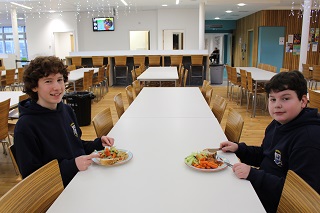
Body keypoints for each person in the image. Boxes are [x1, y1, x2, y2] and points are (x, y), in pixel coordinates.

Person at [220, 70, 320, 212]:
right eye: (273, 99)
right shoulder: (277, 124)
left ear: (303, 101)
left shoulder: (309, 140)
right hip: (263, 190)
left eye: (285, 99)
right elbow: (266, 155)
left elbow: (300, 195)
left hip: (277, 205)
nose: (277, 105)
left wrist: (253, 175)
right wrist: (239, 149)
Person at [14, 56, 114, 187]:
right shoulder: (26, 126)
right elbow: (32, 177)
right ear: (34, 87)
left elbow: (75, 145)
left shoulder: (66, 110)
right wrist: (72, 166)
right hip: (59, 190)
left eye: (59, 80)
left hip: (81, 177)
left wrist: (98, 143)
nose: (57, 87)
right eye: (48, 81)